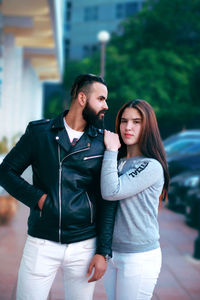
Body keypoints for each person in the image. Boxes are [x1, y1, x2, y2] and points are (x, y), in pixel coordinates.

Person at [0, 74, 117, 300]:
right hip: (42, 241)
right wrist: (39, 199)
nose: (106, 106)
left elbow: (108, 200)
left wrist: (103, 252)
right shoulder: (39, 133)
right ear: (82, 98)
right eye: (101, 99)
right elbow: (5, 172)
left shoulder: (104, 143)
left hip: (84, 244)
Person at [101, 99, 170, 300]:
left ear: (147, 126)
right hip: (112, 254)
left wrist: (111, 150)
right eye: (124, 121)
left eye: (136, 121)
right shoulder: (118, 161)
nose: (128, 127)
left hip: (138, 256)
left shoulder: (151, 166)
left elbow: (111, 191)